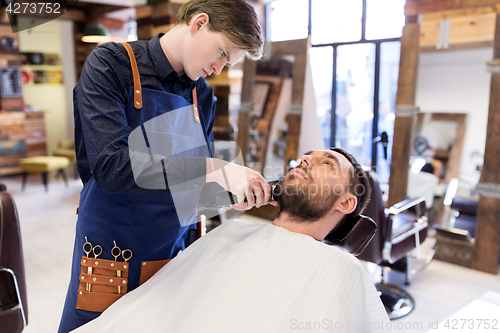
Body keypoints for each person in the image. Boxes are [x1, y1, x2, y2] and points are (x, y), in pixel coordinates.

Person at [58, 1, 270, 331]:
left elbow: (191, 185)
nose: (218, 68)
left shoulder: (204, 96)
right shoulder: (111, 64)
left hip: (174, 256)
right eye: (222, 53)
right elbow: (113, 168)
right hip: (112, 253)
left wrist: (226, 193)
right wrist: (212, 169)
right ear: (199, 23)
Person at [71, 148, 393, 333]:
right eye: (306, 156)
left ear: (347, 203)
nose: (306, 160)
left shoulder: (341, 270)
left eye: (326, 164)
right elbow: (154, 308)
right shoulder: (231, 231)